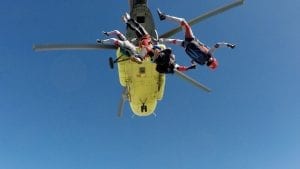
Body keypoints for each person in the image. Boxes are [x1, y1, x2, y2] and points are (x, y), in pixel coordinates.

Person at [157, 9, 236, 70]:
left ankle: (164, 17)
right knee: (173, 41)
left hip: (191, 40)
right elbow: (193, 61)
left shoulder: (209, 54)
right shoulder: (201, 62)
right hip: (186, 46)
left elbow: (217, 45)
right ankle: (159, 40)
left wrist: (229, 45)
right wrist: (192, 64)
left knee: (183, 22)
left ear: (213, 59)